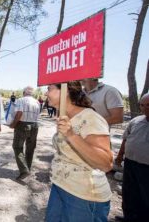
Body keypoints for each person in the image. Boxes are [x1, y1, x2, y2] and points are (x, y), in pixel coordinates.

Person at [44, 81, 113, 222]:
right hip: (60, 187)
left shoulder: (91, 118)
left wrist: (71, 135)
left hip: (84, 197)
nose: (45, 93)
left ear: (65, 90)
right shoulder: (65, 117)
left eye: (49, 89)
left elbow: (106, 163)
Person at [115, 93, 149, 222]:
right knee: (129, 193)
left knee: (145, 196)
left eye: (148, 105)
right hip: (130, 163)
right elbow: (125, 139)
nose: (145, 108)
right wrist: (119, 156)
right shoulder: (136, 121)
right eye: (142, 105)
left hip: (147, 168)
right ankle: (129, 217)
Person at [9, 86, 40, 179]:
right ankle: (27, 168)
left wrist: (13, 124)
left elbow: (19, 113)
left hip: (22, 125)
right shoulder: (37, 102)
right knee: (30, 148)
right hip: (35, 125)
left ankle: (24, 170)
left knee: (17, 147)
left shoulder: (21, 100)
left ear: (24, 92)